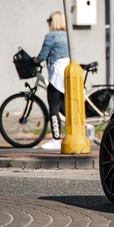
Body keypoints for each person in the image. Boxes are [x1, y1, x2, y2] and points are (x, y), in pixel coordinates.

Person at [33, 11, 70, 150]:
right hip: (68, 72)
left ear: (53, 21)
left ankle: (56, 139)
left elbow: (42, 55)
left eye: (49, 19)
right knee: (65, 107)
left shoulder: (51, 36)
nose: (47, 22)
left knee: (54, 107)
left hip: (56, 75)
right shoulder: (68, 36)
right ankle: (83, 127)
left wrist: (35, 60)